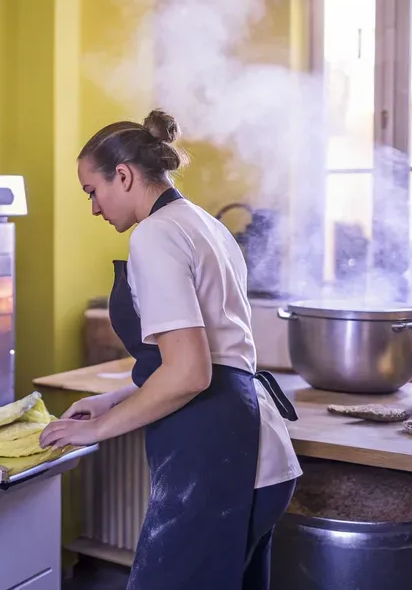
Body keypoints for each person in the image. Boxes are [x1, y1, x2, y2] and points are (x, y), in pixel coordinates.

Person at [39, 109, 302, 590]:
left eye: (91, 192)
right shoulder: (204, 224)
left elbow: (190, 373)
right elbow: (209, 356)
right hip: (259, 453)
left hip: (220, 455)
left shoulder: (156, 235)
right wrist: (114, 398)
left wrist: (95, 430)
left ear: (123, 175)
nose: (93, 208)